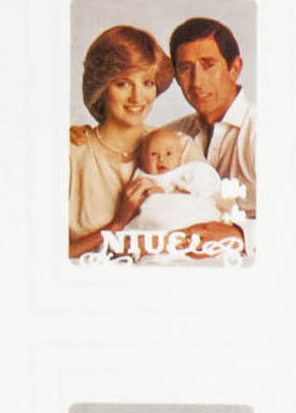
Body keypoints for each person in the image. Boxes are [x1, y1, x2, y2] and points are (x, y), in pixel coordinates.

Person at [69, 26, 199, 258]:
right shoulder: (72, 154)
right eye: (123, 84)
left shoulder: (180, 147)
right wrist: (118, 223)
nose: (137, 98)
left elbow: (210, 235)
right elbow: (46, 257)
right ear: (101, 88)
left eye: (147, 83)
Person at [166, 17, 257, 254]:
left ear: (234, 68)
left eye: (208, 65)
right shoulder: (172, 136)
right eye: (186, 68)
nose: (197, 82)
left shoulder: (261, 131)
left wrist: (240, 235)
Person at [125, 128, 242, 246]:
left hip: (194, 222)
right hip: (159, 229)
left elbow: (208, 188)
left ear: (180, 155)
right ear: (143, 158)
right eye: (153, 154)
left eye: (168, 153)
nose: (161, 159)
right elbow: (136, 204)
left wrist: (185, 190)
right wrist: (149, 195)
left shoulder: (187, 172)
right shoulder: (143, 178)